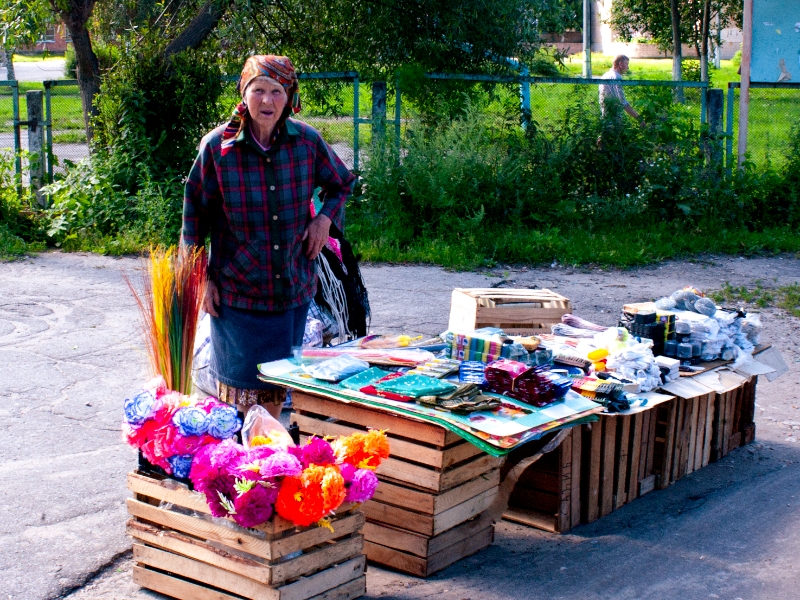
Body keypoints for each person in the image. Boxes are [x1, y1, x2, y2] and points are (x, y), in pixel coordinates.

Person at [181, 55, 355, 419]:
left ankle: (266, 464)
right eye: (257, 90)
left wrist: (323, 220)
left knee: (275, 392)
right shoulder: (218, 148)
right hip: (237, 295)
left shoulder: (306, 141)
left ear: (289, 96)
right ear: (243, 95)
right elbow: (194, 215)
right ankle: (242, 466)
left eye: (277, 91)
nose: (267, 101)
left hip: (292, 289)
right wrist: (201, 279)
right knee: (239, 397)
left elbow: (342, 183)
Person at [598, 55, 642, 124]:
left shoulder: (606, 75)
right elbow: (622, 101)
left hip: (606, 112)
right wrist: (638, 117)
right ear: (620, 64)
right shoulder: (616, 77)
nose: (628, 67)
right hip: (613, 114)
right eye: (626, 64)